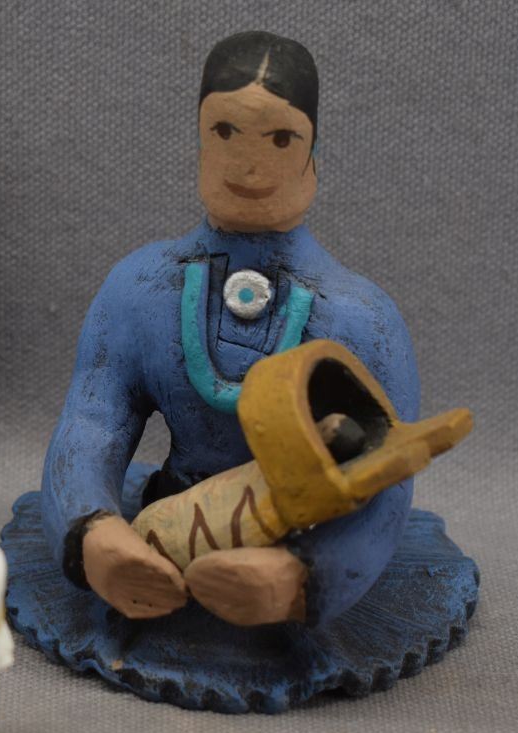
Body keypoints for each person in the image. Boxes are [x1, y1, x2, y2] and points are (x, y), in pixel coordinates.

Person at [41, 31, 420, 627]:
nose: (249, 164)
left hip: (297, 541)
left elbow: (387, 483)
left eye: (280, 138)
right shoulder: (139, 289)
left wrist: (301, 579)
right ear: (198, 143)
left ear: (313, 156)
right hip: (162, 542)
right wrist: (93, 533)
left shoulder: (361, 318)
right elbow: (93, 422)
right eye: (225, 131)